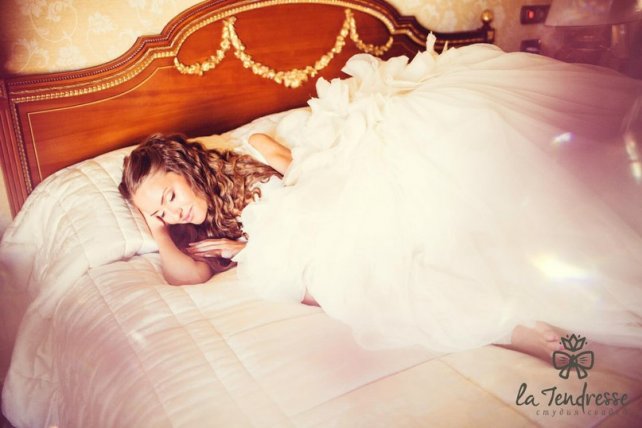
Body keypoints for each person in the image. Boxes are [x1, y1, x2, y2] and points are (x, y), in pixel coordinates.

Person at [120, 42, 642, 361]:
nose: (172, 212)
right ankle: (515, 326)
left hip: (326, 196)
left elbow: (304, 171)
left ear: (184, 166)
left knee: (392, 250)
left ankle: (519, 308)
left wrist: (269, 234)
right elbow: (187, 278)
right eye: (158, 212)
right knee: (353, 282)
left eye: (169, 197)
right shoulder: (194, 234)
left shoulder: (247, 149)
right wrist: (159, 229)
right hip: (302, 247)